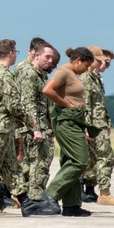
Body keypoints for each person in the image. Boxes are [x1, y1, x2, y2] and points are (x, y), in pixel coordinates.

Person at [0, 39, 56, 217]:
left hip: (1, 126)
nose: (17, 55)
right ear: (10, 53)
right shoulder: (3, 75)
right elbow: (14, 105)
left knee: (12, 167)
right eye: (15, 52)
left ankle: (25, 202)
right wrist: (31, 123)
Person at [41, 47, 97, 217]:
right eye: (86, 65)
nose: (87, 69)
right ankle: (50, 194)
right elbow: (47, 90)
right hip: (67, 122)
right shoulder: (64, 72)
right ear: (78, 60)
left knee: (70, 161)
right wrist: (65, 103)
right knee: (80, 161)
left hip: (75, 121)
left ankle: (71, 205)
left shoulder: (73, 74)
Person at [12, 37, 57, 203]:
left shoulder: (41, 76)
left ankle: (18, 192)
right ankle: (36, 199)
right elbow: (27, 103)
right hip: (34, 128)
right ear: (36, 55)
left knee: (33, 164)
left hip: (42, 126)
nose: (50, 61)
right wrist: (35, 128)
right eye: (47, 57)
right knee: (39, 163)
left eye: (52, 58)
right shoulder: (29, 74)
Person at [81, 48, 114, 206]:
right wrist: (86, 128)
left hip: (99, 124)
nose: (102, 64)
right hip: (93, 125)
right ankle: (105, 193)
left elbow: (99, 106)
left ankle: (101, 191)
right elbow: (84, 105)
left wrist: (107, 123)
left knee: (102, 158)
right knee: (105, 157)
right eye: (100, 60)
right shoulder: (85, 78)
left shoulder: (96, 79)